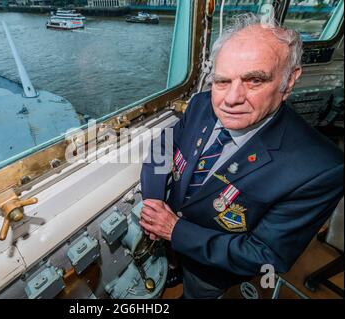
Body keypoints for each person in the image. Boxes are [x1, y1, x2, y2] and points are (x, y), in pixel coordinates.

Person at [139, 13, 344, 299]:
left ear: (289, 81)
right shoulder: (201, 104)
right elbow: (164, 145)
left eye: (254, 80)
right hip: (168, 233)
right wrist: (153, 197)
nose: (231, 99)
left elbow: (266, 255)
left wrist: (176, 230)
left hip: (213, 268)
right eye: (222, 81)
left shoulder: (321, 168)